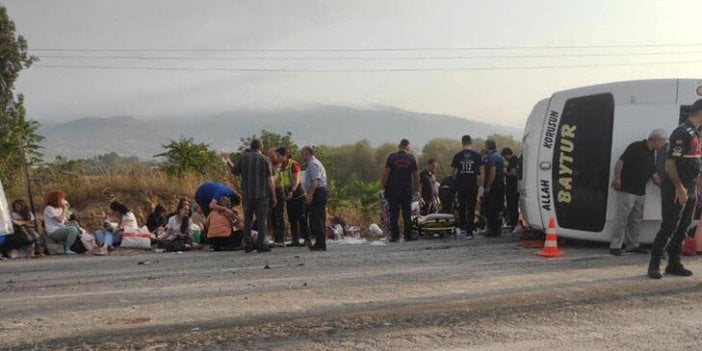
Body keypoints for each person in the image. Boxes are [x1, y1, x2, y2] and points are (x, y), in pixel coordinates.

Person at [648, 100, 702, 279]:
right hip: (676, 187)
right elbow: (670, 164)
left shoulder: (696, 133)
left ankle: (674, 263)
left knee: (684, 226)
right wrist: (679, 187)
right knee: (669, 225)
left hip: (691, 186)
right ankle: (654, 263)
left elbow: (695, 163)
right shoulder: (682, 133)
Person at [610, 130, 666, 256]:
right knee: (621, 218)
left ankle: (632, 245)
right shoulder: (635, 146)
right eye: (663, 140)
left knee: (636, 219)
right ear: (656, 139)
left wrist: (666, 188)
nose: (664, 143)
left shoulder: (652, 153)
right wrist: (617, 179)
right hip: (627, 189)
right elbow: (620, 163)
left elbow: (653, 174)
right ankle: (615, 246)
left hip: (641, 192)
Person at [232, 139, 276, 253]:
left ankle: (248, 244)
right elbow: (270, 179)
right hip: (262, 195)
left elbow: (232, 174)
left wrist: (238, 189)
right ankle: (261, 244)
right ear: (260, 148)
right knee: (262, 220)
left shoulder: (243, 158)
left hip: (247, 195)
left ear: (251, 147)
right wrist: (273, 195)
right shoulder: (265, 159)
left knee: (247, 220)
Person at [381, 139, 420, 242]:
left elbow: (386, 173)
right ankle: (408, 235)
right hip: (406, 190)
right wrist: (417, 190)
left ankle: (395, 237)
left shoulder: (392, 157)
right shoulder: (411, 158)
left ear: (399, 146)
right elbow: (416, 176)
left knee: (394, 213)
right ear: (408, 147)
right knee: (407, 213)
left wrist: (382, 188)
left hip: (393, 190)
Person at [451, 135, 484, 239]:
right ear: (471, 143)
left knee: (461, 207)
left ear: (462, 143)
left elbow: (452, 173)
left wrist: (457, 179)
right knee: (471, 209)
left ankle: (462, 229)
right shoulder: (477, 155)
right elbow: (481, 171)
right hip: (472, 185)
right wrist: (481, 185)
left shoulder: (457, 155)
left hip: (461, 185)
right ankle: (470, 232)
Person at [276, 147, 310, 247]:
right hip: (289, 196)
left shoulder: (293, 164)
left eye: (279, 156)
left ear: (285, 156)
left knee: (302, 217)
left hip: (298, 195)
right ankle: (295, 240)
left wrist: (292, 191)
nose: (277, 158)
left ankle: (307, 238)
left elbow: (297, 179)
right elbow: (280, 180)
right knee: (292, 218)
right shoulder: (282, 166)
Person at [301, 146, 329, 251]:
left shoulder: (313, 164)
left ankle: (320, 243)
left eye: (302, 154)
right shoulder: (312, 164)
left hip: (318, 192)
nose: (301, 156)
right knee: (317, 218)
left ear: (308, 153)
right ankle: (320, 242)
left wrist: (310, 194)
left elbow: (315, 181)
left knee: (317, 218)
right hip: (318, 191)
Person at [43, 190, 81, 255]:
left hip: (61, 228)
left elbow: (64, 221)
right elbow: (60, 220)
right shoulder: (49, 208)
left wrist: (72, 222)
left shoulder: (60, 208)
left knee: (75, 227)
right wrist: (64, 209)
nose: (63, 200)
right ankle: (67, 248)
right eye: (62, 199)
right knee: (72, 229)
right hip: (53, 231)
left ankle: (68, 246)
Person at [483, 139, 505, 237]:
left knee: (490, 208)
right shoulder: (499, 157)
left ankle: (491, 230)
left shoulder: (491, 157)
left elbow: (493, 171)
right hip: (500, 185)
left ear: (488, 146)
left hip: (494, 186)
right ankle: (498, 229)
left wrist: (488, 186)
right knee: (498, 208)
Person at [268, 148, 286, 246]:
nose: (271, 158)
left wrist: (272, 181)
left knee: (280, 215)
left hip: (279, 191)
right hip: (271, 192)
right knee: (273, 216)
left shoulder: (281, 166)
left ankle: (282, 238)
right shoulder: (269, 166)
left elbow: (282, 179)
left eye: (272, 156)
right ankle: (276, 238)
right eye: (269, 157)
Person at [501, 148, 520, 230]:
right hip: (515, 187)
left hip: (512, 188)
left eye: (504, 157)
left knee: (512, 207)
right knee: (513, 207)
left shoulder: (512, 161)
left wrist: (504, 173)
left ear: (507, 154)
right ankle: (513, 224)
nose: (505, 159)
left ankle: (513, 224)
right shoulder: (516, 160)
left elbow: (513, 173)